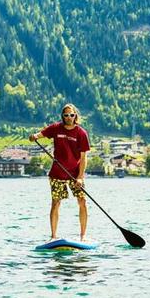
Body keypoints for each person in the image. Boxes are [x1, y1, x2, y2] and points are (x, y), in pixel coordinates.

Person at [29, 103, 91, 241]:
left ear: (76, 116)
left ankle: (83, 236)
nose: (69, 117)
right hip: (57, 173)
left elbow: (83, 157)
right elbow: (41, 134)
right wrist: (34, 136)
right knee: (56, 203)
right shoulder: (56, 128)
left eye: (72, 115)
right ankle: (53, 236)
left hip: (75, 174)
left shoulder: (81, 133)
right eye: (66, 115)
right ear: (62, 116)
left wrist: (80, 177)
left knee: (82, 201)